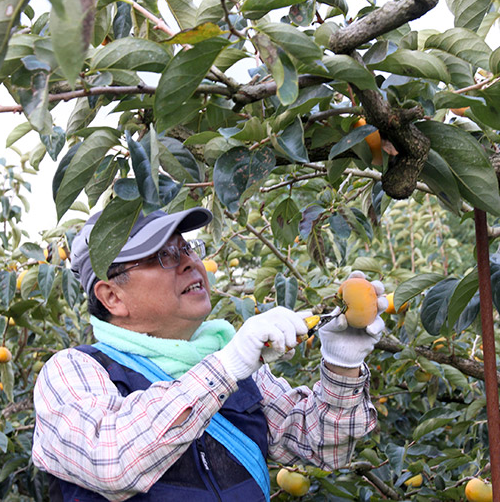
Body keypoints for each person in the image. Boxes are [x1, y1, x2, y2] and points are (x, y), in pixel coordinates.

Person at [31, 207, 386, 502]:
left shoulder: (226, 361)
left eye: (187, 248)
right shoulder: (74, 371)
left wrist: (343, 362)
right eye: (164, 255)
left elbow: (320, 447)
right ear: (112, 297)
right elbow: (112, 461)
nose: (188, 263)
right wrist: (226, 366)